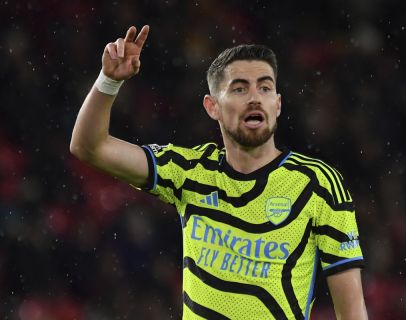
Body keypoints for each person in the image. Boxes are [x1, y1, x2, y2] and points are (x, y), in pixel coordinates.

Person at [70, 25, 368, 320]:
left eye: (265, 87)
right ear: (212, 106)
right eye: (239, 88)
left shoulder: (319, 185)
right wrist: (108, 81)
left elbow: (352, 312)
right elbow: (89, 147)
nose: (254, 97)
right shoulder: (190, 171)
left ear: (277, 104)